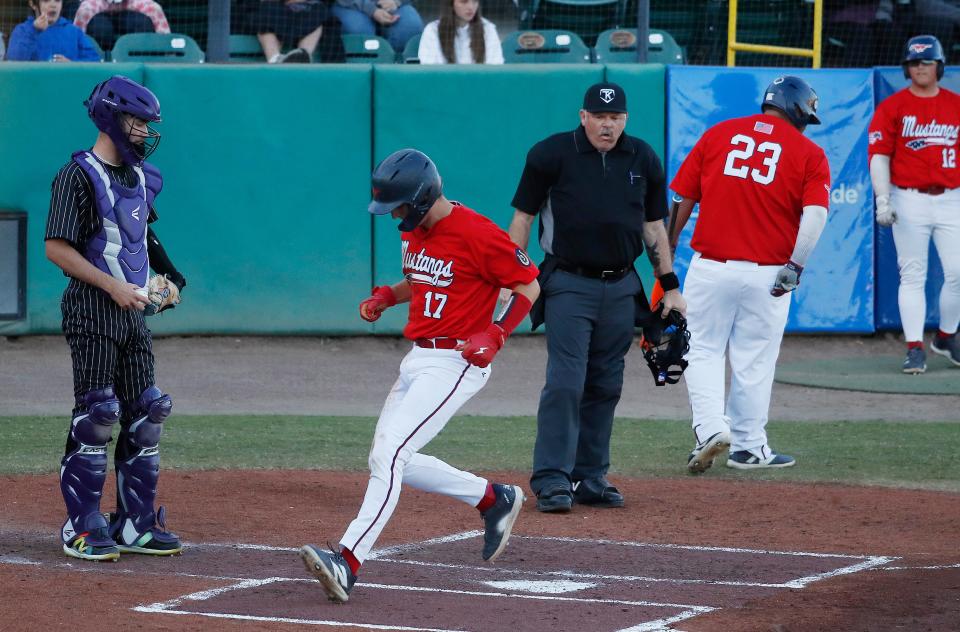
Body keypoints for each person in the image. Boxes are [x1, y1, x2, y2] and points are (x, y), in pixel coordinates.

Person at [300, 148, 540, 603]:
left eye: (401, 207)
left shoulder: (478, 233)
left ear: (424, 195)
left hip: (457, 361)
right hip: (418, 357)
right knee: (388, 456)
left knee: (390, 454)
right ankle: (493, 499)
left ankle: (348, 560)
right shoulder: (416, 231)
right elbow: (426, 279)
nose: (396, 217)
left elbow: (529, 282)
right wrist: (388, 295)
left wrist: (497, 332)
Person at [506, 82, 685, 513]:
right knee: (566, 381)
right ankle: (552, 479)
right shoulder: (550, 154)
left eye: (616, 118)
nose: (608, 125)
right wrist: (512, 276)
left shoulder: (642, 157)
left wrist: (671, 285)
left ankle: (590, 476)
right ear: (583, 116)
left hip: (623, 285)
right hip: (568, 281)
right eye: (600, 117)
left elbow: (653, 226)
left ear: (625, 119)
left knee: (606, 382)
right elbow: (523, 219)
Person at [45, 75, 186, 561]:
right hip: (92, 309)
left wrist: (172, 281)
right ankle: (81, 525)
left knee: (148, 410)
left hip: (132, 313)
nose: (146, 132)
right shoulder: (77, 176)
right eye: (139, 122)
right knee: (98, 413)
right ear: (112, 117)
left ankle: (135, 524)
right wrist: (112, 286)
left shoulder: (142, 178)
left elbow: (141, 240)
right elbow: (56, 248)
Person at [669, 76, 830, 473]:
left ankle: (710, 428)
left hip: (711, 267)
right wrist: (796, 265)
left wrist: (666, 250)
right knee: (755, 360)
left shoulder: (718, 134)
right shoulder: (809, 152)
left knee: (701, 349)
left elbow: (681, 198)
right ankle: (749, 447)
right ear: (796, 109)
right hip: (770, 273)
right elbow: (816, 215)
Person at [869, 34, 960, 372]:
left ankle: (946, 337)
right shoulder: (892, 107)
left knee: (958, 273)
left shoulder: (955, 103)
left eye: (926, 61)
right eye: (915, 62)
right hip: (909, 198)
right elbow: (879, 155)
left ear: (939, 65)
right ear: (906, 67)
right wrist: (883, 198)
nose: (920, 67)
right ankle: (914, 347)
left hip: (952, 197)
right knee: (913, 275)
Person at [6, 0, 101, 62]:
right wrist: (33, 30)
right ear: (33, 4)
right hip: (34, 88)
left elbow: (94, 61)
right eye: (46, 0)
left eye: (57, 1)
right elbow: (14, 62)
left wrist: (71, 64)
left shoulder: (74, 31)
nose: (53, 5)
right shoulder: (22, 30)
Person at [417, 0, 503, 65]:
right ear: (451, 3)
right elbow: (430, 72)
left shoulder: (488, 29)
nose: (471, 7)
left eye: (475, 1)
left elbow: (495, 68)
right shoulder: (433, 31)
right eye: (464, 1)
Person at [71, 0, 170, 52]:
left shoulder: (150, 7)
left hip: (130, 4)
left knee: (153, 11)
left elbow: (154, 10)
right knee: (89, 17)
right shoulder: (87, 8)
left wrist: (169, 51)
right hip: (100, 3)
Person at [333, 0, 423, 53]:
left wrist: (396, 1)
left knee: (410, 28)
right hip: (349, 5)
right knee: (361, 33)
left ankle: (394, 72)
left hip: (393, 5)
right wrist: (371, 9)